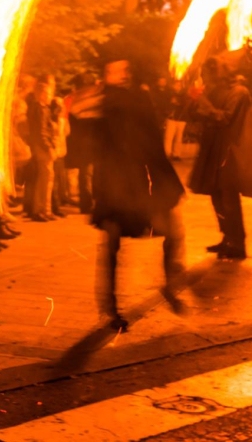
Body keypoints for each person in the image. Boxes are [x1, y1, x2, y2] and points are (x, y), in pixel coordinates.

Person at [92, 60, 187, 331]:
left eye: (126, 70)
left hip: (142, 181)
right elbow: (89, 141)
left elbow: (153, 140)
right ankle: (109, 309)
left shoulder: (139, 99)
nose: (123, 75)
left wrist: (168, 182)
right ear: (106, 75)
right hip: (113, 185)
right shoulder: (103, 103)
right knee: (111, 246)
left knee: (173, 232)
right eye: (115, 71)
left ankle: (170, 286)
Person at [189, 54, 252, 259]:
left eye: (207, 75)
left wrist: (204, 103)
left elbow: (224, 117)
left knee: (228, 197)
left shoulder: (239, 92)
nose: (204, 79)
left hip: (232, 152)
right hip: (215, 149)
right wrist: (193, 101)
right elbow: (198, 115)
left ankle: (238, 243)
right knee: (216, 195)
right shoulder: (214, 91)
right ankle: (227, 237)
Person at [67, 72, 102, 214]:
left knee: (87, 174)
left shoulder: (76, 100)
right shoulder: (87, 102)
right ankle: (87, 203)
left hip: (83, 143)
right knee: (88, 174)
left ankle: (87, 202)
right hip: (89, 143)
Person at [27, 80, 56, 222]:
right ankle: (40, 210)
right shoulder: (40, 109)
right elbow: (41, 131)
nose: (51, 96)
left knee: (47, 178)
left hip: (42, 146)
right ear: (43, 94)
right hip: (42, 147)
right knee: (45, 179)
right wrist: (48, 147)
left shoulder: (43, 108)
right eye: (49, 93)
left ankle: (45, 209)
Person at [164, 80, 190, 160]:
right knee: (168, 137)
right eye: (176, 85)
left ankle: (176, 155)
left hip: (181, 119)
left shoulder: (185, 94)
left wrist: (178, 101)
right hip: (171, 118)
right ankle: (167, 154)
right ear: (173, 85)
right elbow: (164, 103)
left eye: (179, 85)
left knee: (178, 138)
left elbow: (187, 104)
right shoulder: (169, 93)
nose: (177, 86)